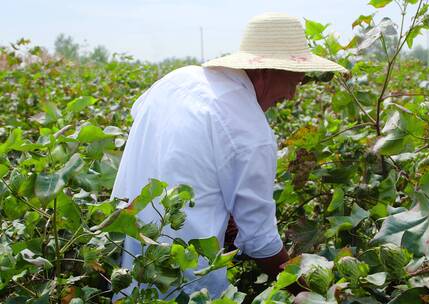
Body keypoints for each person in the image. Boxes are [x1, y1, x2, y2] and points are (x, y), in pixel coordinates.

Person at [111, 12, 347, 299]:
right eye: (294, 82)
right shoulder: (249, 127)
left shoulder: (175, 81)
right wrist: (307, 292)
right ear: (265, 70)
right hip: (189, 289)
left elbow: (155, 128)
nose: (291, 96)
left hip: (132, 280)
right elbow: (261, 240)